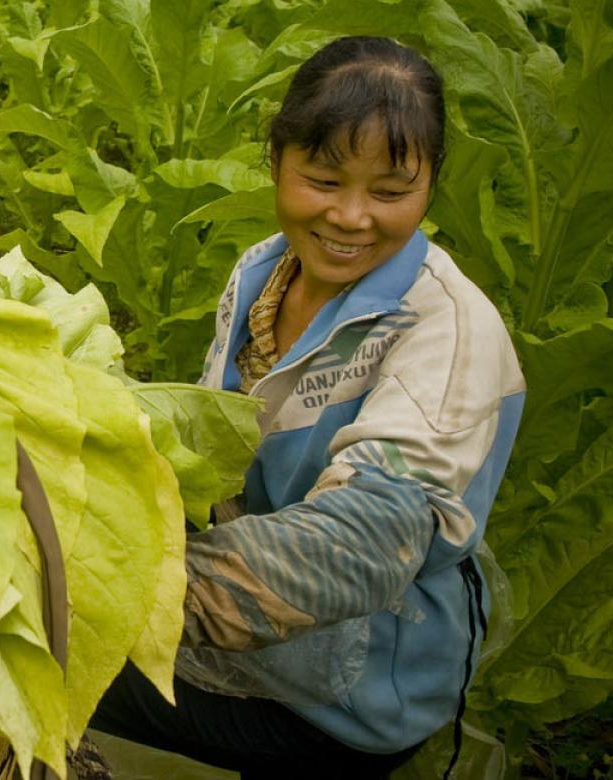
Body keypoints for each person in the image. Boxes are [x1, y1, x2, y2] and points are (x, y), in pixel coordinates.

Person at [89, 36, 525, 779]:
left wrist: (120, 591)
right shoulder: (262, 271)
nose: (352, 217)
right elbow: (218, 445)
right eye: (323, 179)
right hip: (253, 624)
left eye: (390, 193)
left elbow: (363, 542)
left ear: (429, 185)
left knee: (44, 653)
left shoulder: (448, 333)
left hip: (355, 691)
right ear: (277, 162)